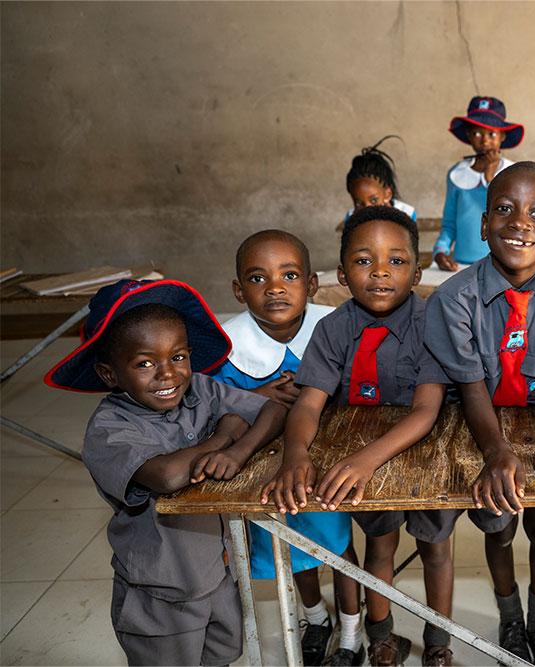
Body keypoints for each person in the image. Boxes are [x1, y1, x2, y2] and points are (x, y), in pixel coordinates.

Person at [44, 278, 286, 666]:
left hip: (219, 576)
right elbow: (167, 477)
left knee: (221, 658)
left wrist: (239, 451)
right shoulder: (110, 429)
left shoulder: (200, 389)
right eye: (144, 363)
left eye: (178, 356)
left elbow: (274, 410)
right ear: (109, 374)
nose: (167, 375)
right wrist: (222, 434)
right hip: (160, 593)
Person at [261, 205, 459, 667]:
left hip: (428, 456)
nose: (380, 273)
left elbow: (427, 411)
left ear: (415, 269)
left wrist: (366, 460)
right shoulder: (333, 329)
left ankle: (439, 642)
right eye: (364, 260)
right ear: (343, 272)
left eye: (396, 260)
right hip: (363, 451)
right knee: (380, 546)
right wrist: (294, 453)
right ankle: (383, 637)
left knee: (435, 549)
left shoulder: (433, 324)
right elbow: (309, 402)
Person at [424, 161, 535, 665]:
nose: (520, 223)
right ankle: (510, 616)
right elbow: (472, 387)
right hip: (480, 421)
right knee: (497, 524)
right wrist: (496, 450)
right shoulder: (455, 298)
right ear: (483, 224)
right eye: (504, 209)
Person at [211, 229, 354, 666]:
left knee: (338, 544)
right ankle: (316, 617)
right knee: (289, 547)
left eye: (289, 275)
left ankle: (351, 633)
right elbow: (213, 407)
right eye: (257, 278)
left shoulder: (338, 325)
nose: (274, 287)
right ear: (239, 290)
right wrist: (256, 399)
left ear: (310, 284)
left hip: (328, 461)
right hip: (263, 473)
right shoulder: (226, 346)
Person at [431, 96, 523, 271]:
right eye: (477, 133)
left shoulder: (513, 173)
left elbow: (515, 217)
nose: (485, 140)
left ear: (502, 136)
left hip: (502, 265)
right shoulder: (457, 174)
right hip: (462, 264)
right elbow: (449, 224)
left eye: (492, 134)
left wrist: (490, 178)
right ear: (468, 135)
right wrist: (440, 252)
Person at [344, 135, 417, 222]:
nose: (367, 210)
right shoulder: (351, 218)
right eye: (358, 203)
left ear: (388, 194)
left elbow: (408, 235)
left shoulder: (406, 213)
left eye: (374, 200)